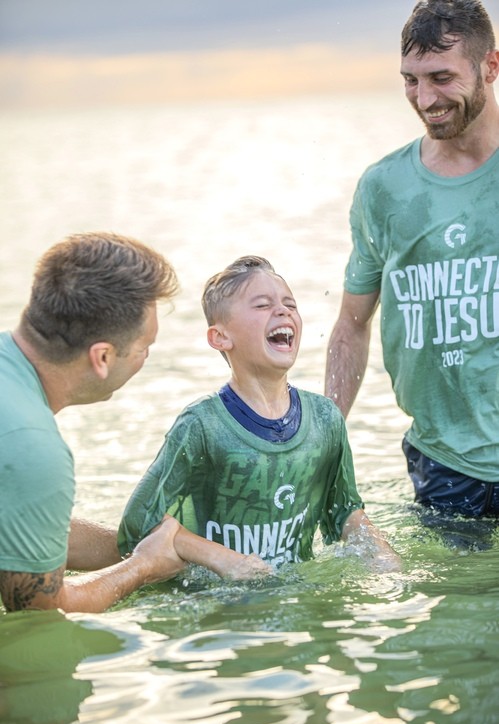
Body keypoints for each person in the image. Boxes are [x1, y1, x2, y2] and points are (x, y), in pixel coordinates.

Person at [0, 233, 269, 614]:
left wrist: (154, 544)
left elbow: (22, 517)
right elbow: (41, 613)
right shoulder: (34, 448)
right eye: (145, 347)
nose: (146, 359)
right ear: (103, 358)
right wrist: (142, 566)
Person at [325, 0, 499, 518]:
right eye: (411, 80)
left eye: (442, 78)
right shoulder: (385, 187)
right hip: (442, 462)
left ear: (491, 66)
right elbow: (352, 324)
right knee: (449, 576)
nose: (425, 99)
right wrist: (325, 436)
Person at [118, 256, 401, 572]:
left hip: (295, 591)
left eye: (290, 304)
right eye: (263, 305)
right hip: (215, 597)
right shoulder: (202, 425)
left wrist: (384, 559)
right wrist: (223, 559)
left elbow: (344, 511)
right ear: (220, 337)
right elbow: (138, 521)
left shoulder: (325, 419)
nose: (283, 311)